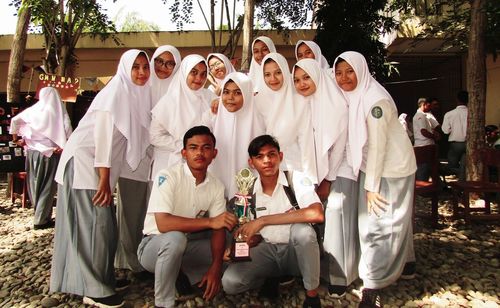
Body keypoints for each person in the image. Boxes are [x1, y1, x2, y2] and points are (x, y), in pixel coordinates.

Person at [49, 49, 151, 307]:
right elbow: (104, 137)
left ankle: (100, 277)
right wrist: (104, 179)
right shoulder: (116, 92)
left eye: (144, 66)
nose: (141, 72)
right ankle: (93, 288)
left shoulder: (134, 94)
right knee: (95, 225)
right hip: (86, 164)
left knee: (102, 226)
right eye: (135, 67)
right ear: (124, 68)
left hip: (97, 168)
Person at [334, 51, 417, 307]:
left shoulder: (374, 101)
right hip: (372, 168)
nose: (344, 77)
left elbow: (379, 146)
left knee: (381, 226)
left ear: (361, 70)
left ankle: (373, 286)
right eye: (339, 72)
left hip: (391, 170)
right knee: (378, 223)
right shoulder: (354, 96)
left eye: (350, 71)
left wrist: (371, 187)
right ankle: (402, 265)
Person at [137, 125, 237, 308]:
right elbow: (163, 224)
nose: (200, 153)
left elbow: (218, 229)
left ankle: (185, 275)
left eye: (206, 148)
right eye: (193, 148)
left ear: (214, 153)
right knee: (175, 239)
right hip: (153, 246)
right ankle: (163, 303)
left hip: (187, 245)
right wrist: (210, 221)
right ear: (184, 152)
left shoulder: (216, 185)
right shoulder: (168, 176)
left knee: (231, 252)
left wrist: (215, 268)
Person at [221, 134, 324, 308]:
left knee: (304, 232)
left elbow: (316, 213)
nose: (267, 160)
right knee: (230, 283)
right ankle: (269, 277)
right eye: (259, 157)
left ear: (280, 156)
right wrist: (238, 245)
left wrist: (263, 221)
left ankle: (312, 296)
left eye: (271, 154)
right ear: (251, 163)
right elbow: (250, 234)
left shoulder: (294, 179)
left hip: (295, 253)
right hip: (267, 251)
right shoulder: (247, 192)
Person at [293, 59, 354, 298]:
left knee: (335, 219)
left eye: (306, 77)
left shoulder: (335, 105)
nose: (301, 84)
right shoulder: (302, 103)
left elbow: (337, 147)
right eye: (297, 80)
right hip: (310, 170)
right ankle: (312, 271)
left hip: (336, 170)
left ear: (318, 76)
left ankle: (339, 276)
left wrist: (327, 179)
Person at [9, 86, 72, 229]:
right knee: (48, 186)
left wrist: (16, 139)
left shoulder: (32, 111)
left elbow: (14, 121)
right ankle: (41, 219)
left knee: (34, 184)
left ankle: (39, 214)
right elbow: (68, 130)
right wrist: (65, 146)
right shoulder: (59, 112)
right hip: (51, 153)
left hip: (32, 153)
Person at [150, 54, 215, 179]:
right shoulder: (169, 101)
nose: (198, 78)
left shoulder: (209, 98)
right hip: (169, 166)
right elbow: (154, 137)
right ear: (184, 72)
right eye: (194, 72)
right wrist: (185, 146)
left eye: (203, 74)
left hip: (201, 167)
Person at [254, 52, 315, 175]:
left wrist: (310, 174)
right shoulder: (257, 100)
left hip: (296, 167)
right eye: (267, 74)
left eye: (278, 72)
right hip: (268, 167)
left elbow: (306, 140)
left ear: (286, 72)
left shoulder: (299, 101)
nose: (273, 79)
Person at [207, 72, 265, 199]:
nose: (230, 97)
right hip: (216, 184)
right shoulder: (213, 115)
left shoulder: (259, 119)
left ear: (247, 94)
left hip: (250, 186)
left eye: (238, 93)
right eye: (226, 92)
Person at [441, 90, 468, 181]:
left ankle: (459, 177)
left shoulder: (449, 114)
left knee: (451, 165)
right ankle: (462, 177)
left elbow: (445, 131)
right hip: (469, 144)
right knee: (465, 163)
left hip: (455, 144)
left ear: (457, 100)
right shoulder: (472, 113)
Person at [413, 97, 440, 180]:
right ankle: (422, 189)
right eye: (428, 105)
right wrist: (434, 136)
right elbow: (423, 131)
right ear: (424, 105)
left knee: (430, 168)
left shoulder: (425, 115)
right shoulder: (419, 115)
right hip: (423, 145)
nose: (430, 107)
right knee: (423, 169)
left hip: (427, 145)